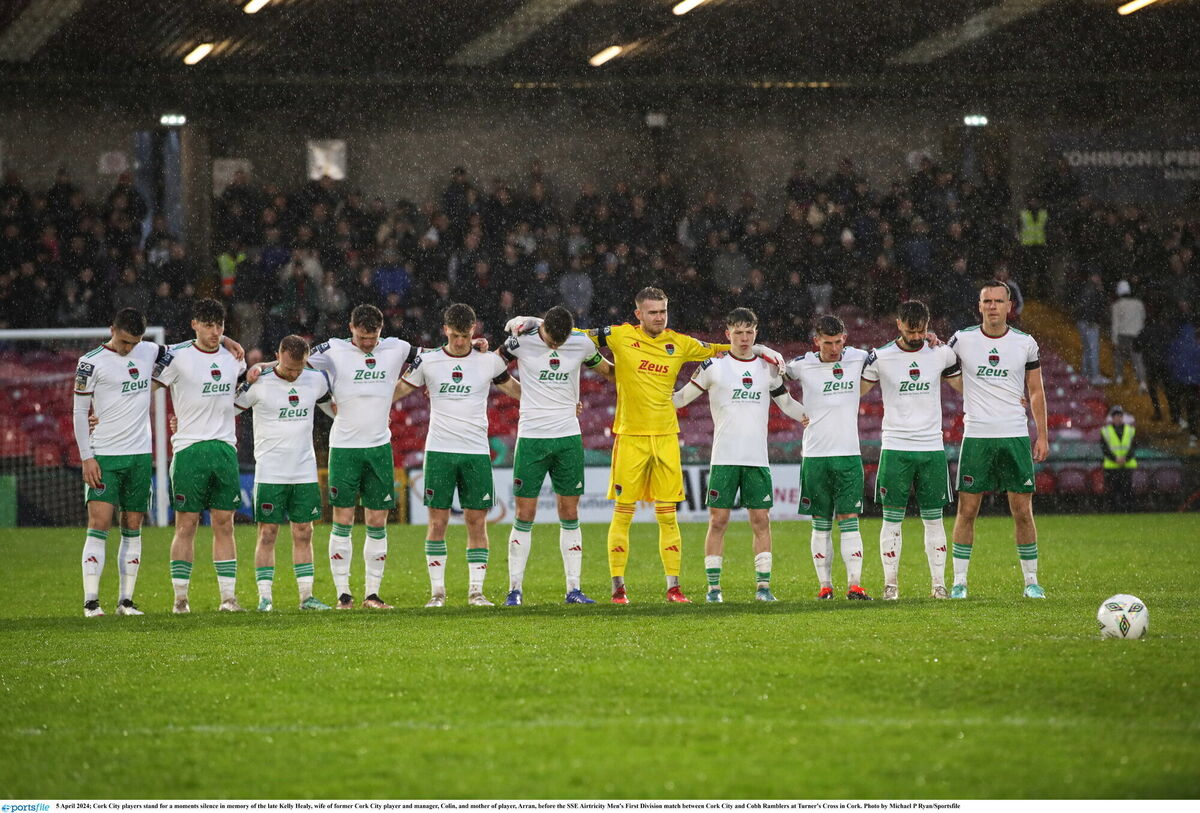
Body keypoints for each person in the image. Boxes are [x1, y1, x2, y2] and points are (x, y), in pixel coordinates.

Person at [584, 287, 778, 604]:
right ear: (638, 314)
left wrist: (763, 349)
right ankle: (618, 586)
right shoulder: (619, 336)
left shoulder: (680, 343)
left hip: (666, 438)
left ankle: (673, 587)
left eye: (663, 311)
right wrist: (535, 326)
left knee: (668, 515)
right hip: (630, 436)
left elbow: (722, 349)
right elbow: (576, 337)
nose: (659, 317)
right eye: (653, 312)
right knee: (623, 514)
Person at [397, 303, 522, 607]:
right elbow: (398, 389)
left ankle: (476, 592)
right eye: (455, 336)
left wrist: (551, 402)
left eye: (465, 336)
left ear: (473, 331)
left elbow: (515, 390)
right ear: (445, 331)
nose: (461, 342)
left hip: (476, 453)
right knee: (437, 523)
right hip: (439, 451)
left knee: (476, 522)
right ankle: (437, 593)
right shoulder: (428, 361)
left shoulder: (488, 362)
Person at [304, 304, 419, 610]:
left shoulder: (397, 348)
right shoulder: (332, 349)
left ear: (382, 330)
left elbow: (434, 357)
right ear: (350, 328)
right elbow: (293, 360)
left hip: (379, 447)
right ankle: (343, 594)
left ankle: (372, 594)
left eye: (374, 337)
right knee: (342, 519)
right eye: (363, 337)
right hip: (344, 448)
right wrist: (260, 367)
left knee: (377, 520)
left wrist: (474, 347)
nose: (368, 343)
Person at [497, 306, 614, 606]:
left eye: (559, 343)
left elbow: (610, 372)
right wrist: (528, 395)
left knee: (570, 513)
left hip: (567, 439)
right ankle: (514, 590)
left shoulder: (581, 343)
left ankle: (573, 589)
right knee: (524, 514)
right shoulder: (521, 340)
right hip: (532, 439)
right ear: (543, 329)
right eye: (550, 340)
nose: (554, 346)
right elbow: (492, 369)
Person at [670, 307, 782, 603]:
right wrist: (648, 398)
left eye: (749, 332)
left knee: (761, 520)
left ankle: (763, 587)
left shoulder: (768, 368)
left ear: (756, 333)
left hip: (757, 459)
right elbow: (680, 399)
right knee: (718, 521)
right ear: (727, 333)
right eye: (738, 332)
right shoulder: (712, 367)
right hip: (724, 458)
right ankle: (713, 589)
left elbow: (788, 402)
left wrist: (810, 416)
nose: (744, 338)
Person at [947, 280, 1049, 599]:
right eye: (986, 301)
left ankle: (1031, 581)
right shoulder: (961, 340)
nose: (992, 306)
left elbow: (1036, 391)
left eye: (998, 301)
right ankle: (959, 582)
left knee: (1022, 510)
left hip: (1015, 435)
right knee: (967, 510)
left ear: (1009, 306)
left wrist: (1042, 434)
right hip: (976, 436)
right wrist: (972, 391)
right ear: (979, 306)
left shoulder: (1025, 343)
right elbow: (935, 366)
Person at [860, 300, 962, 600]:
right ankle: (891, 585)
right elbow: (856, 390)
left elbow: (963, 387)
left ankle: (938, 585)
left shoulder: (941, 354)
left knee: (934, 519)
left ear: (928, 326)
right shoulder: (880, 357)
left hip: (931, 447)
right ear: (898, 324)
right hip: (895, 447)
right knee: (891, 520)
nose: (916, 336)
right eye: (911, 330)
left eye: (921, 331)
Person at [152, 298, 248, 613]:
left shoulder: (235, 359)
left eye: (219, 326)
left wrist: (231, 343)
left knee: (224, 523)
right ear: (194, 324)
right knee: (186, 524)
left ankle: (228, 599)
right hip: (189, 449)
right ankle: (180, 599)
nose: (214, 331)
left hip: (224, 449)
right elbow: (143, 387)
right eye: (208, 325)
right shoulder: (176, 357)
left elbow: (241, 397)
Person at [772, 314, 872, 601]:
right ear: (816, 341)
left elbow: (895, 353)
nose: (834, 348)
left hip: (848, 454)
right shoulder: (802, 365)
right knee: (821, 521)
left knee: (849, 518)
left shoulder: (858, 357)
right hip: (815, 455)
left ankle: (855, 585)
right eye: (828, 343)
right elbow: (774, 376)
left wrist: (930, 339)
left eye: (839, 342)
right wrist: (795, 411)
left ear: (845, 339)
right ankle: (825, 586)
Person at [72, 308, 162, 617]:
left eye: (134, 343)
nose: (128, 349)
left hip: (139, 456)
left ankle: (126, 601)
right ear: (112, 329)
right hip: (105, 456)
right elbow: (78, 412)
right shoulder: (90, 363)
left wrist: (229, 343)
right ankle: (91, 602)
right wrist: (87, 457)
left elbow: (190, 355)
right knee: (98, 525)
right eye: (124, 342)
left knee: (133, 526)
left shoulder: (149, 350)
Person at [235, 335, 334, 612]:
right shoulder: (258, 384)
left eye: (298, 368)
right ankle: (265, 598)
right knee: (267, 533)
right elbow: (226, 408)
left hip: (304, 471)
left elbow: (333, 409)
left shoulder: (315, 380)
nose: (293, 374)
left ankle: (306, 597)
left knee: (304, 532)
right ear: (278, 355)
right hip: (270, 472)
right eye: (289, 368)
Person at [1111, 280, 1147, 391]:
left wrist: (1114, 340)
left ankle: (1119, 377)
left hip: (1123, 336)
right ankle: (1142, 382)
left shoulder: (1116, 306)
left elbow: (1115, 324)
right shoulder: (1138, 304)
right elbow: (1143, 318)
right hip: (1137, 336)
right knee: (1138, 360)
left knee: (1119, 358)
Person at [1100, 405, 1137, 510]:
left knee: (1127, 489)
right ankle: (1114, 509)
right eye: (1115, 415)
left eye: (1119, 415)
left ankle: (1128, 509)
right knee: (1113, 489)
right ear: (1112, 417)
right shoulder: (1105, 431)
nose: (1118, 417)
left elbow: (1133, 447)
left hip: (1127, 464)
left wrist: (1125, 458)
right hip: (1112, 465)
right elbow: (1104, 449)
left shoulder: (1130, 430)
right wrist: (1115, 459)